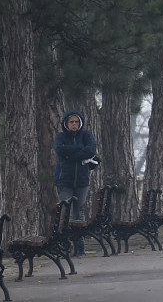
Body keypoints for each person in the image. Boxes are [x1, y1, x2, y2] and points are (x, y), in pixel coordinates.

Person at [54, 110, 97, 256]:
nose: (74, 124)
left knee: (80, 212)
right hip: (64, 180)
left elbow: (91, 150)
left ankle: (80, 247)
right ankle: (66, 246)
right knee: (67, 212)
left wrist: (71, 155)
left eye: (76, 122)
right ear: (66, 123)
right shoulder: (61, 137)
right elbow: (60, 149)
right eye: (71, 122)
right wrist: (80, 150)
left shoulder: (86, 135)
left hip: (82, 181)